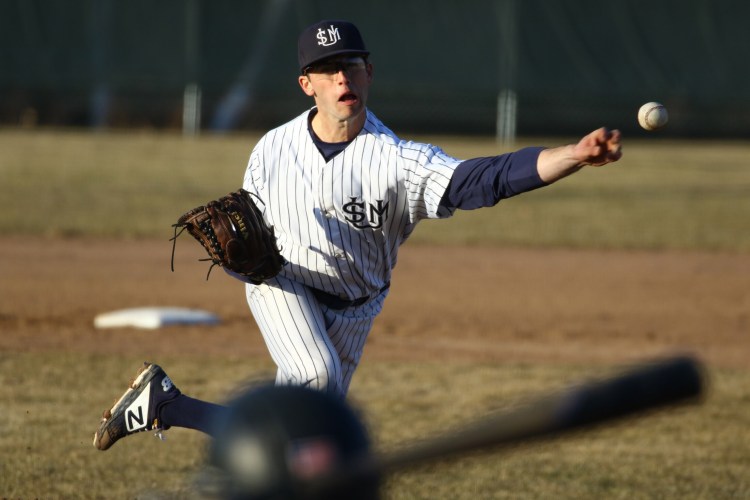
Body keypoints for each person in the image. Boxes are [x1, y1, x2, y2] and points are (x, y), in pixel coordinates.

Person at [93, 19, 622, 451]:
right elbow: (242, 234)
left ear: (368, 73)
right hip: (282, 284)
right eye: (326, 70)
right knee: (315, 379)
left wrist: (572, 155)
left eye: (349, 65)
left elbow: (483, 179)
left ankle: (164, 404)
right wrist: (241, 266)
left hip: (359, 304)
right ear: (308, 84)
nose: (340, 78)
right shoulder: (271, 149)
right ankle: (171, 408)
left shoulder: (397, 161)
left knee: (301, 439)